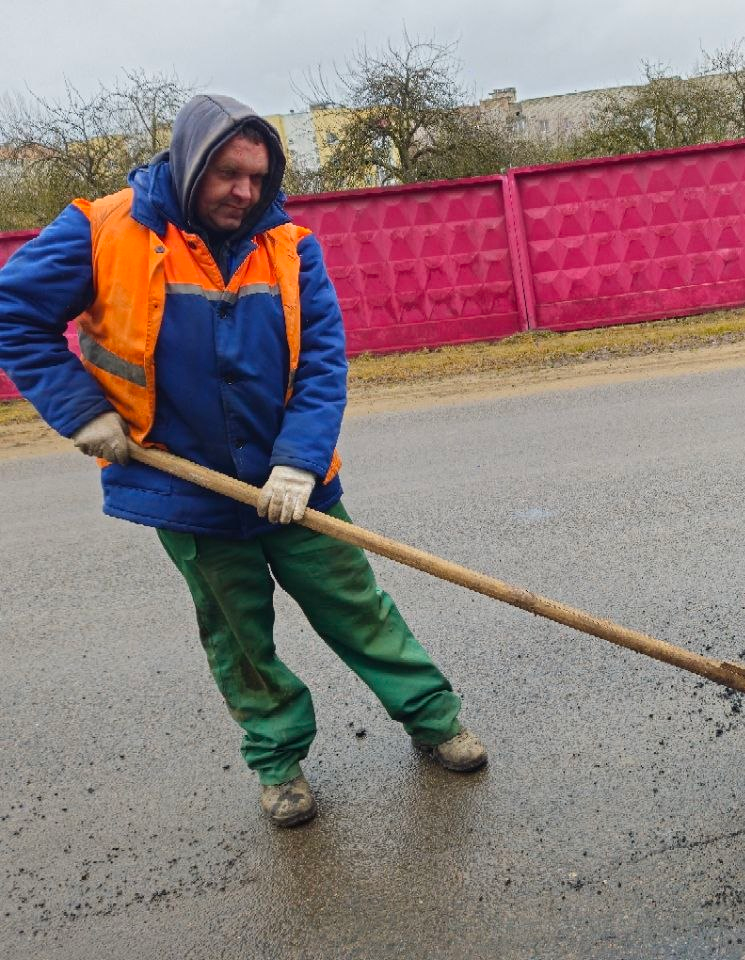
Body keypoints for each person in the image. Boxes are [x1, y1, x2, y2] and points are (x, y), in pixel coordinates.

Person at [0, 94, 486, 828]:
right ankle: (278, 761)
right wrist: (80, 410)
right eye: (228, 174)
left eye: (258, 176)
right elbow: (13, 315)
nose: (245, 192)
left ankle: (432, 717)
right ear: (191, 161)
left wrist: (298, 464)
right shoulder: (102, 229)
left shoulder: (290, 244)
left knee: (358, 609)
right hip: (184, 487)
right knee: (237, 637)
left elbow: (323, 362)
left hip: (296, 487)